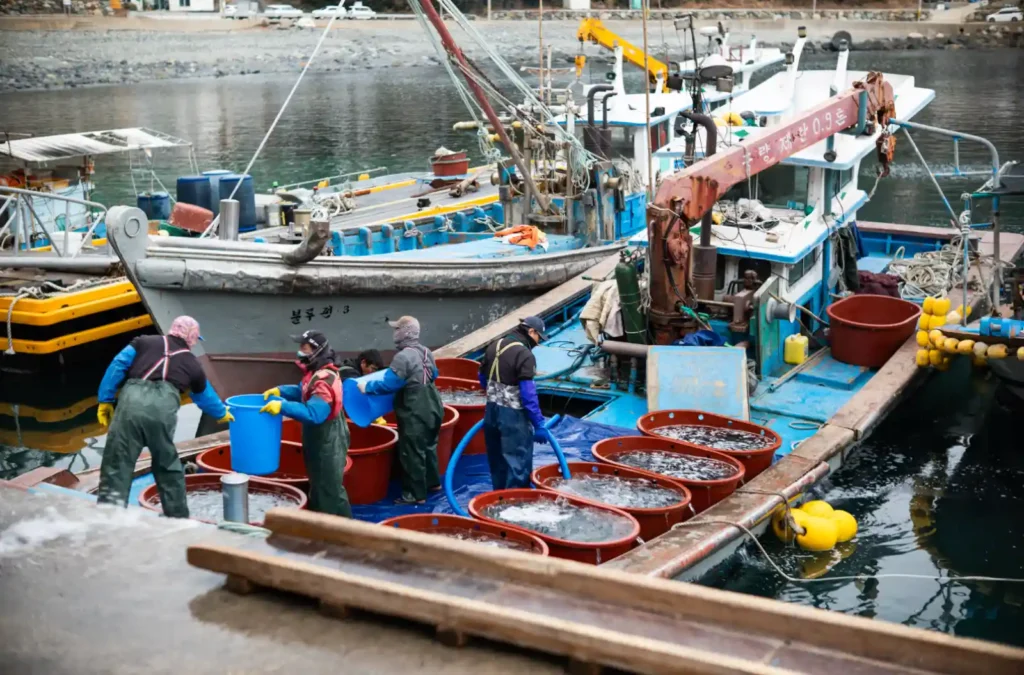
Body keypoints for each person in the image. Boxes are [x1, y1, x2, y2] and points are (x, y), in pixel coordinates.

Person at [96, 316, 233, 517]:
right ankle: (177, 517)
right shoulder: (192, 364)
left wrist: (105, 399)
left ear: (172, 330)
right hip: (161, 413)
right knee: (166, 463)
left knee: (118, 462)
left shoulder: (142, 342)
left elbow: (118, 365)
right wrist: (222, 413)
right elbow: (204, 396)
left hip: (130, 406)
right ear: (193, 339)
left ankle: (109, 515)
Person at [260, 330, 352, 517]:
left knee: (328, 490)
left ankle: (331, 533)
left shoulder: (324, 380)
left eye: (304, 348)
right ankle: (341, 525)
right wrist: (281, 391)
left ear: (316, 351)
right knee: (321, 485)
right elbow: (304, 391)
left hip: (328, 439)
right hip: (318, 437)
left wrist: (283, 406)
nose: (299, 352)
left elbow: (315, 413)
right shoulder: (315, 374)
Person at [358, 316, 443, 504]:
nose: (394, 333)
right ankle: (432, 483)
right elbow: (434, 374)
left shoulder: (403, 357)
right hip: (433, 402)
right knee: (429, 445)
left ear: (404, 333)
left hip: (415, 406)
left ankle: (415, 494)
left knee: (412, 451)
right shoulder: (426, 351)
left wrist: (367, 387)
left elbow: (390, 383)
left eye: (397, 329)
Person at [478, 316, 548, 490]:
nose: (538, 343)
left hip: (491, 411)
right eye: (539, 337)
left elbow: (481, 377)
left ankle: (498, 500)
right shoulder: (525, 355)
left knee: (497, 461)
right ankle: (515, 506)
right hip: (513, 417)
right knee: (518, 463)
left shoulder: (495, 344)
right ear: (531, 331)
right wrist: (538, 423)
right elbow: (528, 394)